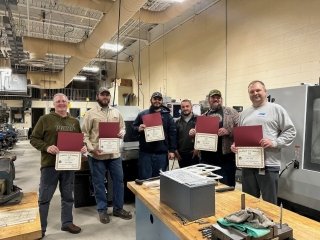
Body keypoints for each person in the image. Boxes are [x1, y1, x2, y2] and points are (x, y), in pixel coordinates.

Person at [30, 93, 86, 237]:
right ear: (54, 104)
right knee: (44, 198)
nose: (61, 103)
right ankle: (40, 228)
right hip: (50, 165)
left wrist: (82, 147)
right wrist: (47, 147)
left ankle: (67, 223)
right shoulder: (45, 119)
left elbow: (79, 141)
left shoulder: (74, 122)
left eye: (64, 101)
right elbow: (34, 138)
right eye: (58, 101)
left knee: (68, 196)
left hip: (68, 165)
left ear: (68, 103)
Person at [231, 80, 296, 204]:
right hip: (248, 164)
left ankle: (270, 223)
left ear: (265, 92)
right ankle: (250, 223)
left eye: (258, 90)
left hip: (268, 165)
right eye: (251, 91)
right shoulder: (244, 113)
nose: (255, 93)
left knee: (269, 204)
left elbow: (290, 131)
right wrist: (235, 145)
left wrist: (274, 142)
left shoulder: (276, 109)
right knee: (249, 202)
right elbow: (242, 136)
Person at [81, 87, 132, 224]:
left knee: (119, 182)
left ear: (110, 97)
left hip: (114, 155)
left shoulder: (116, 112)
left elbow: (123, 127)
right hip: (97, 155)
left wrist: (123, 132)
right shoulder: (90, 114)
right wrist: (92, 149)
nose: (105, 97)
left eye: (107, 95)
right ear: (97, 96)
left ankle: (118, 209)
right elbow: (84, 134)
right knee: (99, 183)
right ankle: (102, 210)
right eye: (102, 95)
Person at [189, 89, 239, 187]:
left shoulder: (232, 112)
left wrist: (228, 131)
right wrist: (193, 133)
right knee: (207, 186)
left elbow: (240, 130)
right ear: (209, 100)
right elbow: (197, 136)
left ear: (221, 99)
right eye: (213, 97)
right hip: (207, 158)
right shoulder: (203, 116)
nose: (216, 99)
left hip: (225, 158)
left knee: (226, 186)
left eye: (218, 97)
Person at [133, 92, 177, 179]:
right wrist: (138, 128)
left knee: (159, 181)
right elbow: (133, 128)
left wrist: (172, 150)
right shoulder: (143, 114)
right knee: (145, 180)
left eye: (159, 99)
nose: (157, 101)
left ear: (162, 101)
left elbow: (172, 133)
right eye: (155, 99)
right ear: (151, 100)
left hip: (161, 154)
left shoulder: (168, 116)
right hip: (145, 154)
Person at [175, 99, 199, 168]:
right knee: (184, 176)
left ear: (191, 107)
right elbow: (174, 137)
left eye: (187, 106)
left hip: (194, 153)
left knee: (195, 176)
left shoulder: (198, 119)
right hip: (181, 154)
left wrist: (198, 149)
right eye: (183, 107)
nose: (185, 108)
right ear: (181, 108)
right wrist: (175, 150)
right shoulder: (177, 122)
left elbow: (203, 135)